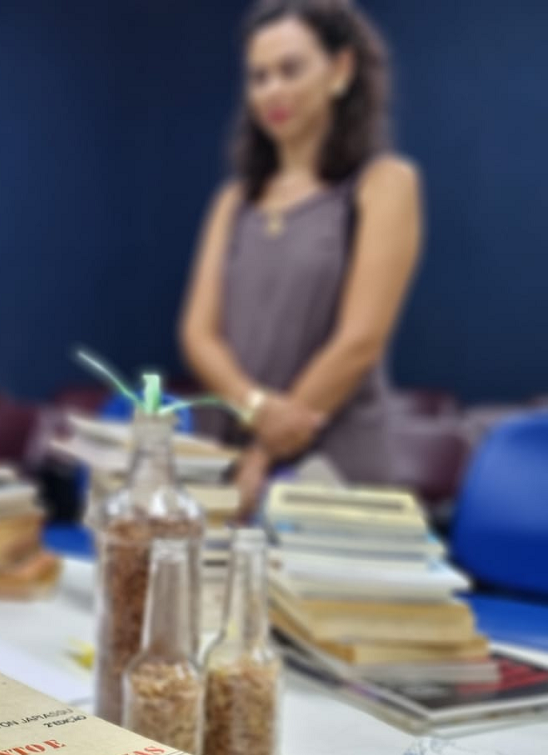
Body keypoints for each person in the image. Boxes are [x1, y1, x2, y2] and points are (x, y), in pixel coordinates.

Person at [180, 0, 422, 514]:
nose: (272, 91)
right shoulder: (235, 200)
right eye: (258, 77)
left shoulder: (385, 184)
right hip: (230, 452)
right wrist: (256, 407)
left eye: (290, 70)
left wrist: (264, 452)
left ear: (340, 70)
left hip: (335, 470)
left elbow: (359, 341)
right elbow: (199, 335)